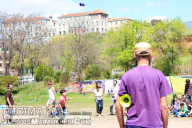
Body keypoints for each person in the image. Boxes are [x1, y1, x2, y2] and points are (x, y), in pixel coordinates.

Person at [116, 42, 172, 128]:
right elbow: (164, 106)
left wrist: (122, 126)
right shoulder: (159, 75)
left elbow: (118, 106)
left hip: (133, 124)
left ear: (135, 55)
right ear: (150, 55)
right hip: (154, 125)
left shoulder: (126, 76)